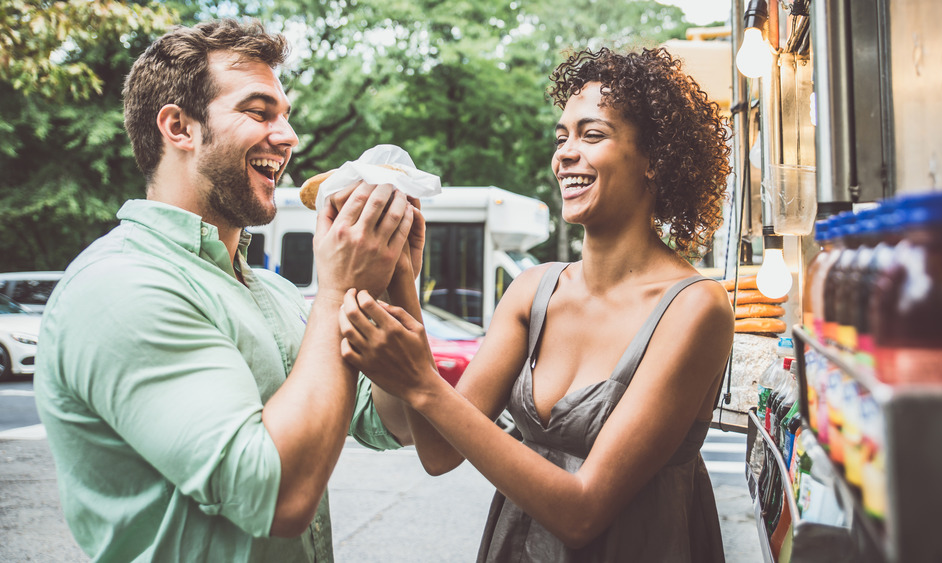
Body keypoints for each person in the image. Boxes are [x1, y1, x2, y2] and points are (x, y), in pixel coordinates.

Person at [34, 19, 417, 562]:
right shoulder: (120, 286)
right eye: (259, 112)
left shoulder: (276, 295)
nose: (288, 137)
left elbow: (397, 423)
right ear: (179, 127)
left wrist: (398, 278)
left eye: (286, 117)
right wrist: (337, 290)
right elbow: (280, 496)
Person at [337, 46, 735, 562]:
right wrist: (402, 279)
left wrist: (422, 383)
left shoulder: (694, 308)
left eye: (592, 134)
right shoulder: (533, 291)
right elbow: (438, 453)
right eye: (562, 136)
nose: (565, 153)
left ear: (654, 160)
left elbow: (582, 512)